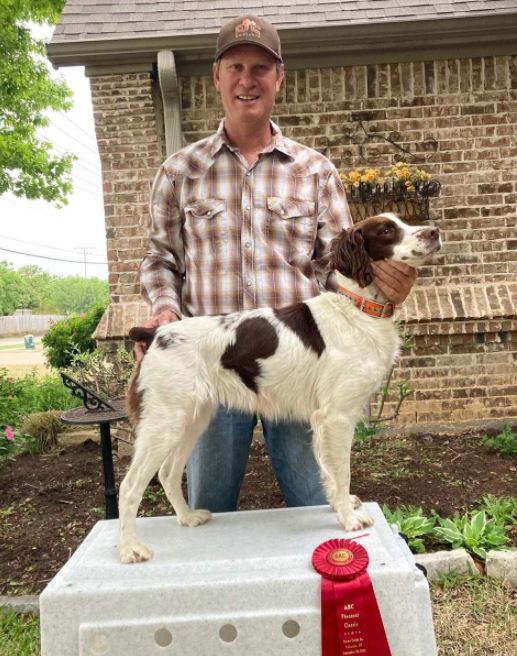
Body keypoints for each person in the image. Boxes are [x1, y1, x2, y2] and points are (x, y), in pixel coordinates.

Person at [135, 15, 417, 513]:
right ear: (217, 76)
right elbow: (160, 259)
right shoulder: (180, 171)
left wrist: (386, 282)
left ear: (279, 77)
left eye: (261, 67)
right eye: (237, 67)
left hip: (301, 365)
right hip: (215, 361)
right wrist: (164, 313)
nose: (249, 79)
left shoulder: (315, 171)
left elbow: (341, 265)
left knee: (316, 508)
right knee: (211, 508)